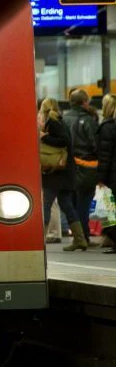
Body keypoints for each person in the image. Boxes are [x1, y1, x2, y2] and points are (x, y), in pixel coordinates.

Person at [40, 98, 86, 250]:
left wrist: (44, 137)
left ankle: (40, 240)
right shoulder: (60, 120)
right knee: (66, 205)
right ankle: (80, 239)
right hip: (64, 173)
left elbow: (64, 140)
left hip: (56, 173)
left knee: (46, 204)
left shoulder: (53, 122)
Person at [64, 89, 100, 246]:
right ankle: (84, 236)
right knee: (84, 202)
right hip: (87, 166)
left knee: (72, 201)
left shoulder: (64, 118)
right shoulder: (88, 120)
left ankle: (78, 236)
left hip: (69, 166)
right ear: (85, 102)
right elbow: (95, 144)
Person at [96, 94, 116, 254]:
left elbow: (104, 156)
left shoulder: (107, 127)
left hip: (111, 177)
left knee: (109, 211)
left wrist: (101, 179)